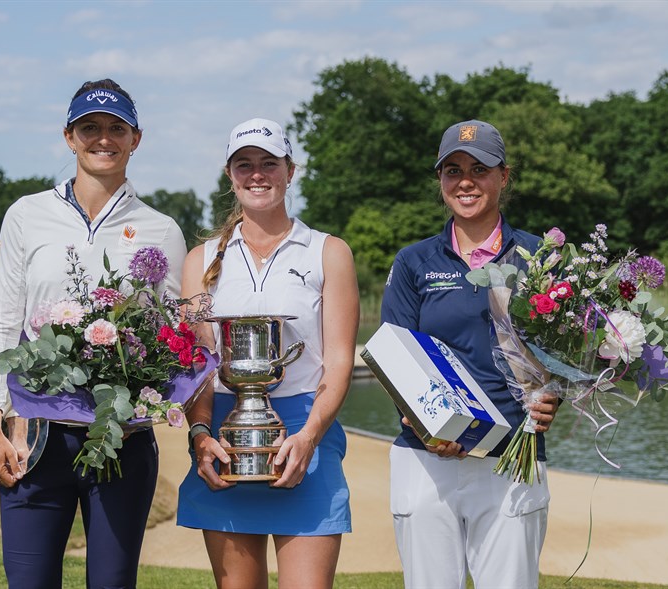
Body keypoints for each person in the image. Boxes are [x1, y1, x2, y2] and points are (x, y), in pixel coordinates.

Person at [0, 79, 187, 588]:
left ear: (136, 139)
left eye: (117, 128)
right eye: (89, 127)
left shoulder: (161, 229)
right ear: (69, 137)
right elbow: (4, 322)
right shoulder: (26, 215)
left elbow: (172, 336)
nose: (103, 138)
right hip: (34, 439)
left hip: (122, 441)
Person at [176, 117, 359, 588]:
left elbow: (339, 362)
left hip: (305, 430)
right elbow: (199, 365)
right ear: (229, 174)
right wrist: (199, 435)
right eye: (245, 165)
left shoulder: (328, 252)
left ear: (290, 170)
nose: (257, 174)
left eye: (268, 163)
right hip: (223, 433)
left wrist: (310, 436)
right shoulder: (201, 259)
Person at [380, 120, 560, 589]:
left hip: (512, 459)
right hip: (428, 459)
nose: (466, 181)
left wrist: (553, 395)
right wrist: (426, 423)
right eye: (452, 170)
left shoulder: (540, 259)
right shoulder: (413, 262)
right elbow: (396, 360)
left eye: (480, 169)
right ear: (439, 180)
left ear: (504, 176)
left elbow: (564, 357)